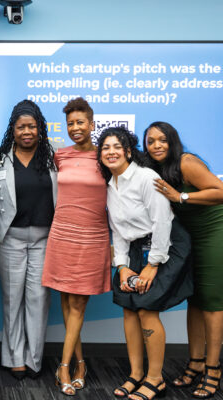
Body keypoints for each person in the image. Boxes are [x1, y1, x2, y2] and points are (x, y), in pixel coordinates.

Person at [98, 126, 193, 400]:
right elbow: (118, 230)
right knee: (129, 307)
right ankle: (136, 374)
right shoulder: (110, 186)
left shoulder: (145, 177)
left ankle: (155, 379)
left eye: (117, 147)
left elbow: (162, 222)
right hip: (137, 248)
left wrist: (152, 265)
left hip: (168, 244)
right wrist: (122, 265)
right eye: (105, 148)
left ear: (128, 151)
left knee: (146, 308)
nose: (111, 152)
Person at [144, 121, 223, 399]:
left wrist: (181, 196)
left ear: (172, 141)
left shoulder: (186, 162)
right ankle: (196, 362)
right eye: (150, 141)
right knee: (195, 300)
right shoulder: (154, 169)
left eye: (162, 140)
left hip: (214, 232)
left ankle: (213, 370)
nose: (156, 146)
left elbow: (220, 191)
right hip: (190, 236)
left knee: (213, 303)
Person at [41, 97, 111, 396]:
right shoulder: (60, 156)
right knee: (68, 304)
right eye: (70, 123)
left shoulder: (106, 157)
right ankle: (81, 363)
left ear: (92, 125)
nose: (75, 128)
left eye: (80, 122)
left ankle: (64, 367)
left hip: (93, 237)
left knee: (79, 304)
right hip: (62, 234)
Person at [0, 100, 57, 380]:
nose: (27, 131)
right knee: (12, 299)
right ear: (13, 129)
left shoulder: (54, 155)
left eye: (32, 126)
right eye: (21, 127)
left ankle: (34, 358)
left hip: (45, 238)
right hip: (10, 238)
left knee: (38, 299)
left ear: (40, 129)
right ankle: (14, 357)